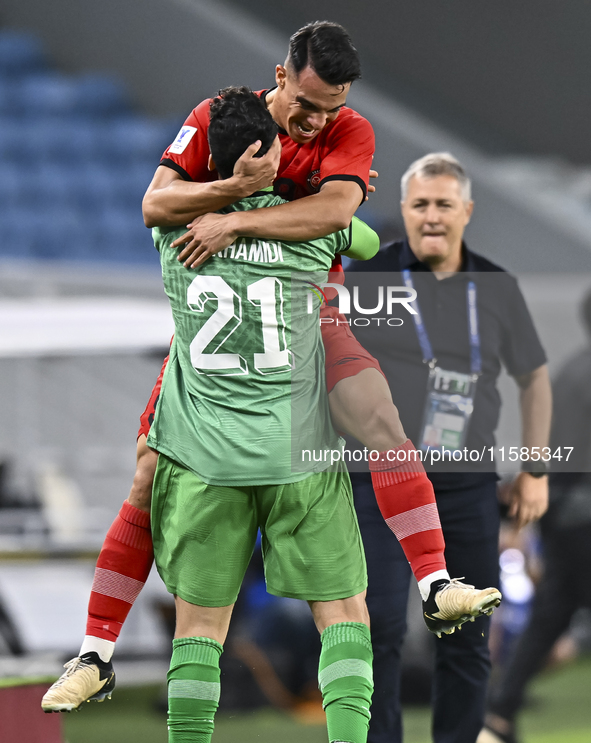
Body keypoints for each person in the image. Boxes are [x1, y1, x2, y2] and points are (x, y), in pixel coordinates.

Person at [42, 23, 499, 713]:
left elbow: (341, 209)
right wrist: (232, 192)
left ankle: (435, 584)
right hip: (215, 336)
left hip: (309, 314)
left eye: (333, 105)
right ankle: (97, 650)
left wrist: (233, 219)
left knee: (379, 415)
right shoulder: (217, 118)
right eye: (307, 106)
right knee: (146, 470)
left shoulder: (349, 129)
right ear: (279, 76)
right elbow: (155, 204)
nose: (319, 121)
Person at [155, 85, 376, 743]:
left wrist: (226, 194)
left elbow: (160, 201)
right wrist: (339, 194)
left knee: (197, 629)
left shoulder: (173, 233)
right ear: (276, 153)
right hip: (294, 451)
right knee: (342, 613)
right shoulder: (313, 232)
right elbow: (361, 235)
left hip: (205, 456)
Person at [347, 152, 551, 743]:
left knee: (467, 638)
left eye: (443, 204)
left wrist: (534, 471)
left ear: (466, 210)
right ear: (404, 210)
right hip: (376, 484)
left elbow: (533, 378)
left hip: (465, 487)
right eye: (419, 204)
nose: (431, 216)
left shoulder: (495, 286)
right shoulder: (364, 280)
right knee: (376, 628)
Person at [480, 289, 591, 743]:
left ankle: (499, 717)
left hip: (559, 510)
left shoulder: (570, 371)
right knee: (555, 612)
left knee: (554, 613)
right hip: (583, 512)